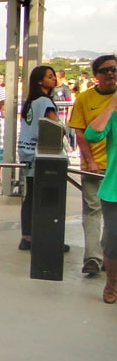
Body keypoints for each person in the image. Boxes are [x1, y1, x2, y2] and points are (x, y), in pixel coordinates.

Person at [68, 54, 117, 275]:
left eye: (114, 69)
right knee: (93, 211)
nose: (111, 73)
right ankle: (94, 258)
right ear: (96, 76)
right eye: (105, 70)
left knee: (113, 222)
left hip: (114, 168)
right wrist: (89, 160)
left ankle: (110, 256)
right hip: (95, 167)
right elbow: (81, 132)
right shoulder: (85, 99)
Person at [16, 66, 64, 251]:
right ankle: (48, 237)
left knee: (31, 197)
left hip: (27, 152)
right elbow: (54, 125)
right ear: (39, 81)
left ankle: (26, 236)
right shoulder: (45, 102)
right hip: (42, 153)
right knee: (48, 198)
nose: (54, 79)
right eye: (50, 77)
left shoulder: (30, 102)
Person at [83, 90, 117, 303]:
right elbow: (92, 135)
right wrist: (112, 105)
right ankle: (112, 282)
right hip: (114, 190)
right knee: (113, 242)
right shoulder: (113, 115)